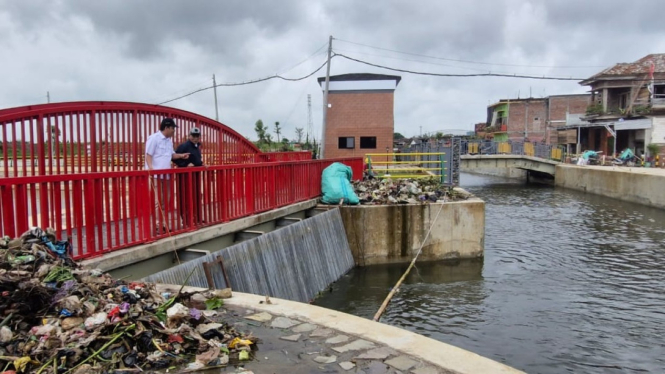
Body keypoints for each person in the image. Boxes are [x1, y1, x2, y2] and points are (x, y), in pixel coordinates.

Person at [145, 118, 190, 233]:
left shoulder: (169, 141)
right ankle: (158, 225)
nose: (174, 131)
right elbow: (148, 154)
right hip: (156, 175)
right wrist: (151, 168)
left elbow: (171, 155)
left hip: (167, 175)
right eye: (173, 129)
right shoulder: (154, 138)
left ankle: (163, 224)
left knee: (166, 200)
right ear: (166, 128)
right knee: (158, 201)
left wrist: (181, 156)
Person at [174, 128, 204, 225]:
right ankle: (186, 220)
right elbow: (174, 158)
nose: (196, 138)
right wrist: (185, 165)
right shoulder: (184, 146)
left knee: (196, 196)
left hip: (195, 176)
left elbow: (196, 159)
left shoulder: (197, 146)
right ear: (189, 136)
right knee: (185, 197)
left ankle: (196, 218)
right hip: (184, 177)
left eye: (197, 136)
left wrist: (201, 164)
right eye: (194, 136)